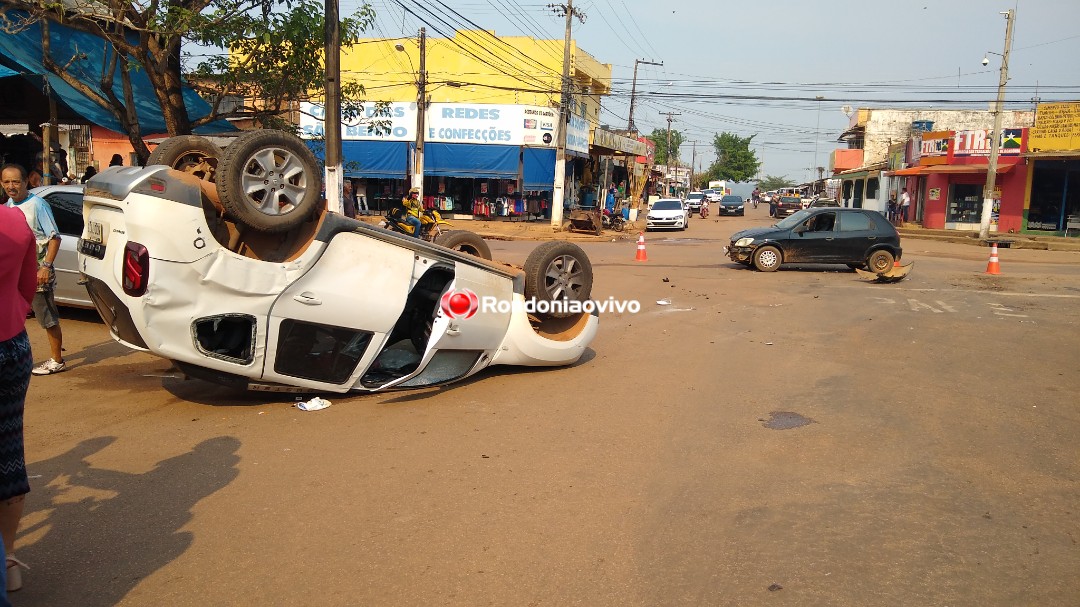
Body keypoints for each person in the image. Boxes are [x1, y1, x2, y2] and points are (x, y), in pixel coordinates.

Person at [0, 201, 38, 594]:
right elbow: (28, 286)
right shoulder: (15, 220)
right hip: (12, 345)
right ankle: (8, 561)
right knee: (9, 453)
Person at [2, 163, 66, 375]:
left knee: (46, 316)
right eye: (7, 182)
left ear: (26, 181)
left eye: (16, 182)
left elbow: (54, 238)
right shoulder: (8, 206)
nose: (12, 186)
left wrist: (45, 267)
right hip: (15, 275)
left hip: (37, 272)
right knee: (16, 315)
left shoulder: (37, 205)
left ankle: (57, 360)